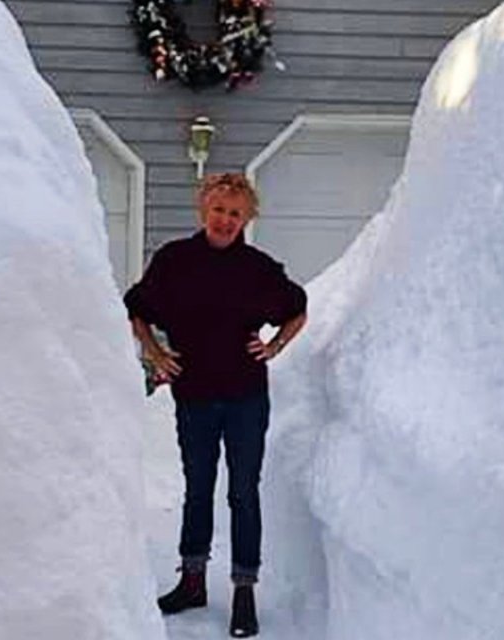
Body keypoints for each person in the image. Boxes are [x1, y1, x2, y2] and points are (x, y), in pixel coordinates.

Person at [124, 173, 307, 638]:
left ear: (247, 219)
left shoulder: (258, 269)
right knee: (198, 488)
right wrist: (155, 352)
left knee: (243, 491)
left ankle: (244, 591)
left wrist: (276, 346)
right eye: (219, 209)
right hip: (195, 398)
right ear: (203, 208)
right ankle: (192, 581)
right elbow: (137, 308)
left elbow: (297, 308)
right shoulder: (174, 262)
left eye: (236, 213)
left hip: (246, 398)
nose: (226, 220)